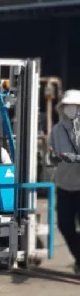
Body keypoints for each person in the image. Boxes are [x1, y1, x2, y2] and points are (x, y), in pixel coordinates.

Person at [49, 89, 80, 274]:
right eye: (67, 106)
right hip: (63, 184)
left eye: (74, 106)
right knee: (64, 225)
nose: (70, 109)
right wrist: (54, 157)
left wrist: (74, 158)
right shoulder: (57, 130)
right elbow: (52, 153)